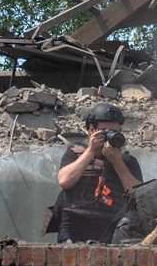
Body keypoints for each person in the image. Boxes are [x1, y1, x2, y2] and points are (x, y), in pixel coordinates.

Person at [56, 103, 143, 243]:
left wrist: (117, 163)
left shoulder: (128, 162)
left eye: (115, 131)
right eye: (106, 132)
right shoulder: (74, 155)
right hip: (73, 230)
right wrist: (90, 151)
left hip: (111, 232)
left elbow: (140, 197)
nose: (111, 136)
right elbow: (64, 181)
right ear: (92, 130)